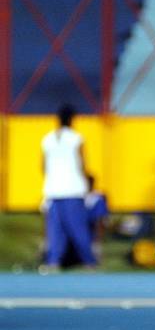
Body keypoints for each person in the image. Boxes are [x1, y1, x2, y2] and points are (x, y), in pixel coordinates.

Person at [41, 105, 97, 270]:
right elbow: (82, 164)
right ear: (72, 119)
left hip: (53, 190)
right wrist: (88, 183)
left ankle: (53, 262)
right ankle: (89, 262)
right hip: (73, 189)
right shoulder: (76, 138)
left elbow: (42, 166)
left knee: (55, 230)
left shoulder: (47, 139)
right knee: (78, 228)